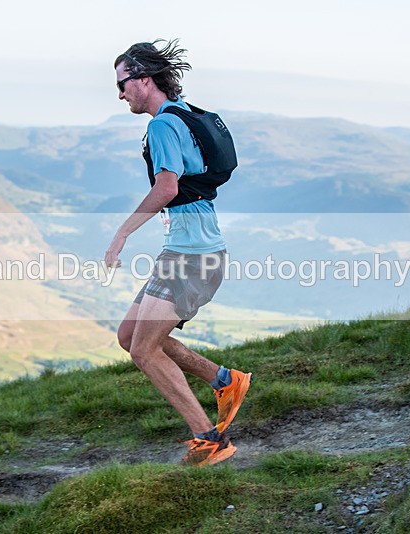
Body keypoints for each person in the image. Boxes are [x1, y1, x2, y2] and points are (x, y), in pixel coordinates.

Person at [105, 39, 252, 466]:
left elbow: (167, 187)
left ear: (144, 80)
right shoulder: (184, 113)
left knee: (144, 350)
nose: (120, 94)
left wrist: (122, 234)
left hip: (192, 256)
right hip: (189, 251)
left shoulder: (162, 125)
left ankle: (209, 440)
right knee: (130, 337)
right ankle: (225, 381)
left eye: (123, 84)